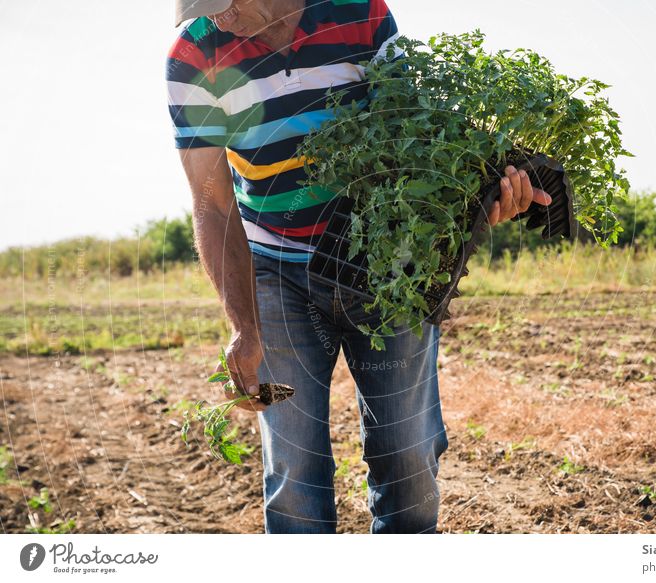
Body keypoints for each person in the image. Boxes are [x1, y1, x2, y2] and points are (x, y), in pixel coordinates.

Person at [167, 0, 552, 534]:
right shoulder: (194, 53)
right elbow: (212, 204)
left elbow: (418, 136)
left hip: (382, 263)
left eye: (217, 3)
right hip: (274, 266)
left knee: (409, 464)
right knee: (295, 477)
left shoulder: (359, 11)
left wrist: (488, 189)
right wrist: (243, 326)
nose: (213, 20)